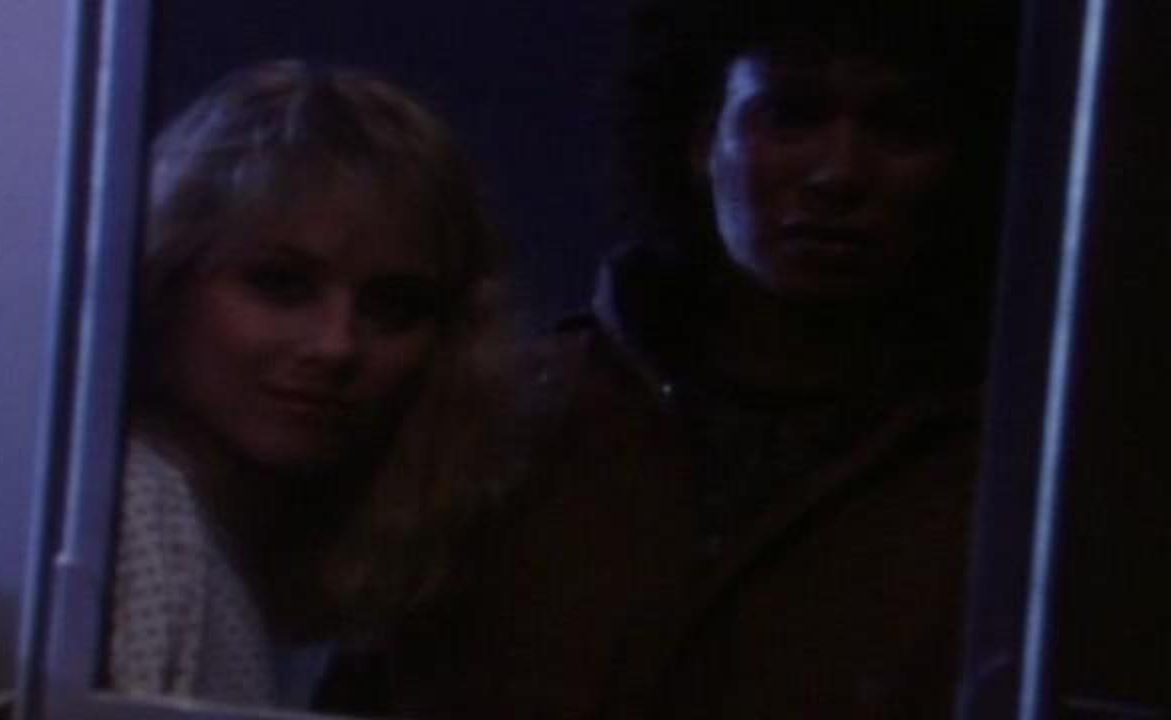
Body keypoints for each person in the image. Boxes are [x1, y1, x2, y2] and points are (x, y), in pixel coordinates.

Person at [398, 1, 1022, 718]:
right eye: (789, 116)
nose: (839, 173)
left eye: (899, 128)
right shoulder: (512, 415)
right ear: (702, 139)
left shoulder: (1013, 474)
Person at [107, 60, 510, 710]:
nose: (337, 345)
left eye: (393, 306)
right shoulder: (137, 511)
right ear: (166, 282)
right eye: (280, 284)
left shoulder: (268, 554)